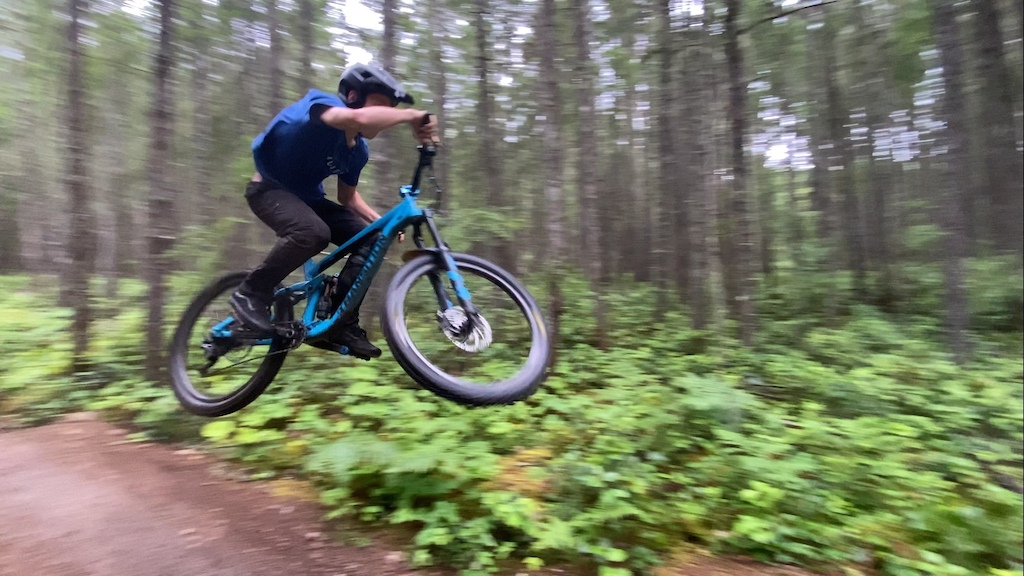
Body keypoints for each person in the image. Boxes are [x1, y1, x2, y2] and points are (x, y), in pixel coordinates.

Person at [230, 63, 438, 360]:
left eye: (391, 109)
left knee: (373, 239)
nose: (387, 115)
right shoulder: (323, 107)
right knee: (313, 233)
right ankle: (250, 293)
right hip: (268, 190)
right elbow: (354, 117)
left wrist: (382, 224)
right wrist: (410, 116)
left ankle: (340, 321)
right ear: (352, 95)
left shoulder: (357, 151)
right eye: (383, 106)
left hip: (308, 200)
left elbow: (348, 198)